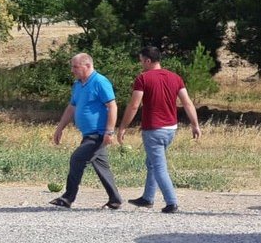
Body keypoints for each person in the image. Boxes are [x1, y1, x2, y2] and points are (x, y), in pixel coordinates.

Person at [117, 46, 201, 214]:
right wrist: (195, 124)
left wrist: (123, 127)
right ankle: (147, 198)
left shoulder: (143, 79)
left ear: (148, 61)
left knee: (159, 167)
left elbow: (134, 105)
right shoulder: (175, 78)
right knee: (152, 163)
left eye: (141, 60)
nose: (140, 64)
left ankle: (171, 202)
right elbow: (187, 102)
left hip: (153, 129)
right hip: (171, 128)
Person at [49, 53, 123, 210]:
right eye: (72, 67)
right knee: (102, 167)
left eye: (76, 67)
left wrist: (109, 132)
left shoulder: (100, 82)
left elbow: (112, 106)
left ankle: (68, 198)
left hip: (98, 133)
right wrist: (60, 128)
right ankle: (115, 200)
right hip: (88, 134)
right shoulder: (78, 84)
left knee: (77, 159)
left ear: (88, 66)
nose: (73, 70)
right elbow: (72, 107)